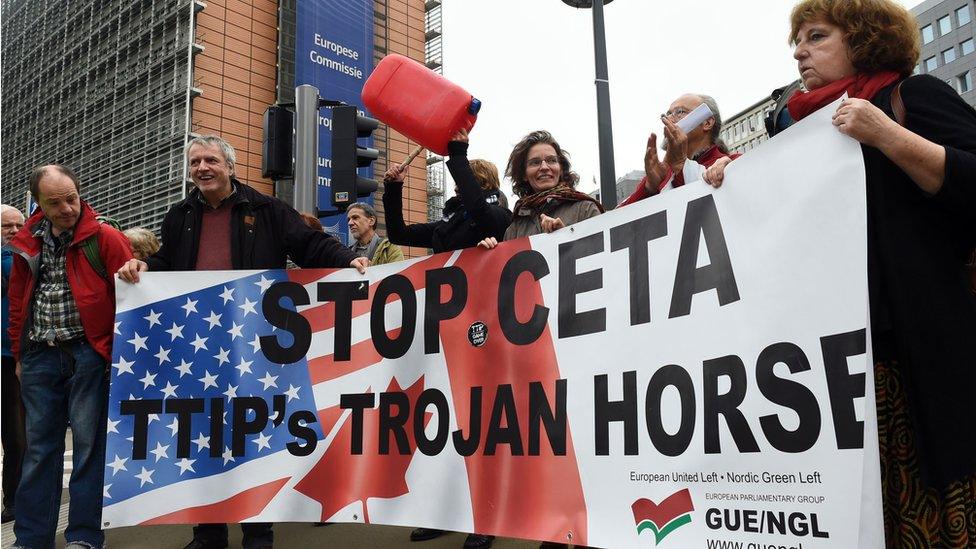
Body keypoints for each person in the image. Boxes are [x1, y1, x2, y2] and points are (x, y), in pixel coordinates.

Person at [705, 1, 976, 545]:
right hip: (833, 371)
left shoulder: (911, 98)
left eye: (817, 36)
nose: (800, 51)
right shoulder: (796, 134)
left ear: (865, 39)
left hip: (916, 356)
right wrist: (743, 180)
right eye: (797, 42)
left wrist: (888, 136)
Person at [117, 135, 367, 549]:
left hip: (252, 345)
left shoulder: (267, 209)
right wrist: (143, 267)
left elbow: (310, 245)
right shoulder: (179, 216)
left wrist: (346, 260)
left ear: (230, 166)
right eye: (195, 161)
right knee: (202, 437)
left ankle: (258, 528)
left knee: (253, 438)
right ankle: (208, 531)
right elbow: (166, 264)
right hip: (196, 349)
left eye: (211, 160)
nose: (202, 168)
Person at [7, 166, 134, 549]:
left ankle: (84, 535)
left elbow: (132, 294)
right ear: (38, 205)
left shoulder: (105, 237)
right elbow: (18, 302)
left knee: (88, 448)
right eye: (54, 202)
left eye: (71, 198)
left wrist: (136, 268)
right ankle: (31, 538)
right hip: (39, 355)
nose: (66, 208)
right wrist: (19, 353)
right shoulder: (27, 243)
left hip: (88, 354)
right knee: (39, 450)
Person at [383, 128, 511, 257]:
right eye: (456, 183)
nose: (456, 188)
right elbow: (399, 235)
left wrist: (458, 152)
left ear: (484, 184)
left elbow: (477, 208)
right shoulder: (447, 226)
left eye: (461, 183)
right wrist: (393, 187)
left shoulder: (501, 216)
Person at [479, 130, 602, 250]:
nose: (544, 167)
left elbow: (604, 257)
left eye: (551, 160)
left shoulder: (585, 209)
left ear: (561, 169)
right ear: (524, 174)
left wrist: (566, 239)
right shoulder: (514, 229)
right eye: (535, 162)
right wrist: (491, 255)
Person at [619, 94, 739, 206]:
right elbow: (617, 220)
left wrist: (731, 171)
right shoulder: (661, 174)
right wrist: (649, 187)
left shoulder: (731, 163)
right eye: (667, 114)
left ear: (707, 122)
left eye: (679, 112)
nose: (667, 120)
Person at [1, 204, 26, 524]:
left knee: (20, 435)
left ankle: (15, 500)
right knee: (17, 435)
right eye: (8, 226)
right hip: (7, 359)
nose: (17, 230)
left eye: (20, 224)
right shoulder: (13, 260)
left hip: (20, 357)